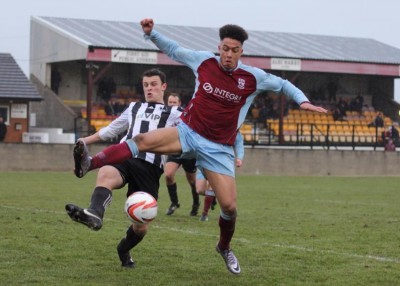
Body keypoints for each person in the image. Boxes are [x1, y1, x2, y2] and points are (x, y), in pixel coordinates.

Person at [72, 18, 327, 274]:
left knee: (229, 207)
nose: (228, 54)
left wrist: (302, 101)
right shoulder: (204, 61)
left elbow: (283, 84)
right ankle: (90, 163)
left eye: (234, 50)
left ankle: (224, 247)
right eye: (225, 48)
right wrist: (151, 34)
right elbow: (174, 50)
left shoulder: (252, 78)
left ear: (241, 52)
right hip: (188, 133)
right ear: (219, 47)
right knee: (141, 141)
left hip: (218, 148)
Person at [65, 68, 182, 268]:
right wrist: (85, 140)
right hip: (126, 156)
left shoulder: (176, 113)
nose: (149, 89)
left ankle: (123, 249)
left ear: (164, 87)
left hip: (150, 169)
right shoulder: (134, 108)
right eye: (145, 85)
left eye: (153, 84)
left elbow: (192, 134)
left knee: (141, 227)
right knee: (106, 172)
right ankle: (94, 213)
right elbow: (111, 130)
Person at [164, 93, 200, 216]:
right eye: (170, 102)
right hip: (174, 149)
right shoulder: (166, 115)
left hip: (188, 150)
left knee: (192, 181)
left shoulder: (185, 114)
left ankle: (196, 203)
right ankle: (174, 203)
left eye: (174, 103)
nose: (172, 105)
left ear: (179, 104)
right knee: (168, 174)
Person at [197, 132, 244, 222]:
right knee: (200, 190)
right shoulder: (208, 124)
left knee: (211, 186)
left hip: (221, 161)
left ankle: (204, 214)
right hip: (204, 159)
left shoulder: (233, 128)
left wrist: (239, 158)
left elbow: (239, 144)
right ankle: (214, 196)